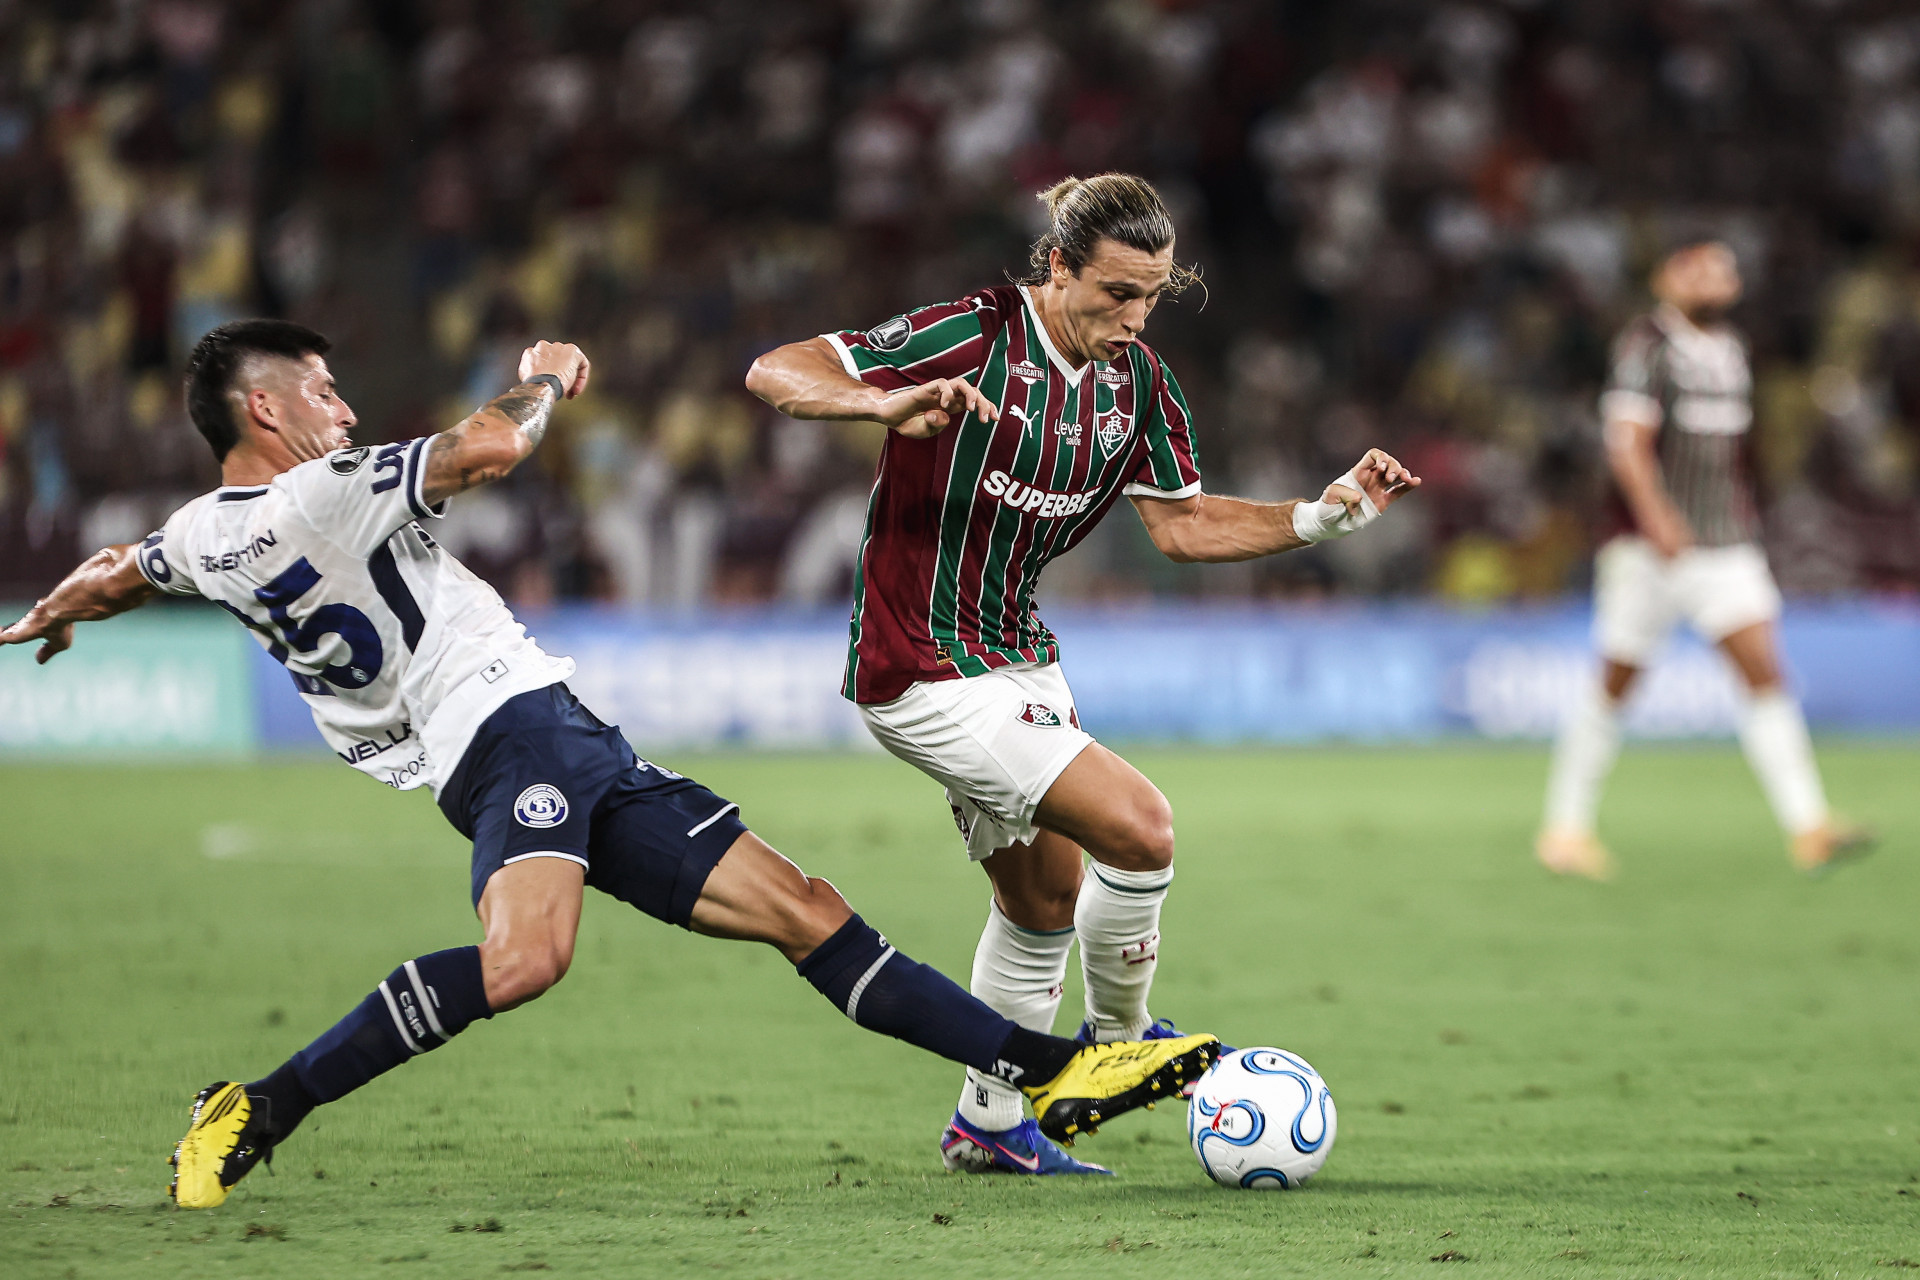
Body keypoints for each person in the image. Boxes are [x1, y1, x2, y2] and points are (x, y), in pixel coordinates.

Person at [0, 320, 1221, 1208]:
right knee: (526, 959)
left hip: (551, 733)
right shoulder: (323, 489)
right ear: (266, 411)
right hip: (505, 735)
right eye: (322, 391)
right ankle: (259, 1108)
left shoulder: (198, 535)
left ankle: (1054, 1072)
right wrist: (537, 382)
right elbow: (485, 451)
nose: (345, 410)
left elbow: (121, 570)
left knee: (804, 909)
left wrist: (52, 608)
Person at [746, 174, 1419, 1175]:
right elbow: (776, 369)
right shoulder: (972, 336)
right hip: (919, 663)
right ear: (1057, 267)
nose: (1133, 317)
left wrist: (1321, 517)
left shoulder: (1137, 382)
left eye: (1150, 296)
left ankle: (988, 1119)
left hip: (1016, 654)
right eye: (1113, 293)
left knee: (1041, 901)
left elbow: (1183, 523)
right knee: (1141, 826)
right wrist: (877, 400)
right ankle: (1120, 1037)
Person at [1535, 241, 1872, 879]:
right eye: (1700, 268)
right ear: (1668, 277)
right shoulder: (1648, 345)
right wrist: (1656, 516)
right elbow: (1626, 442)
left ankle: (1810, 826)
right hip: (1650, 548)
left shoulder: (1734, 351)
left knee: (1763, 670)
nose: (1716, 279)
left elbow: (1737, 457)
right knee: (1617, 681)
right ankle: (1564, 829)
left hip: (1725, 544)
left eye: (1725, 268)